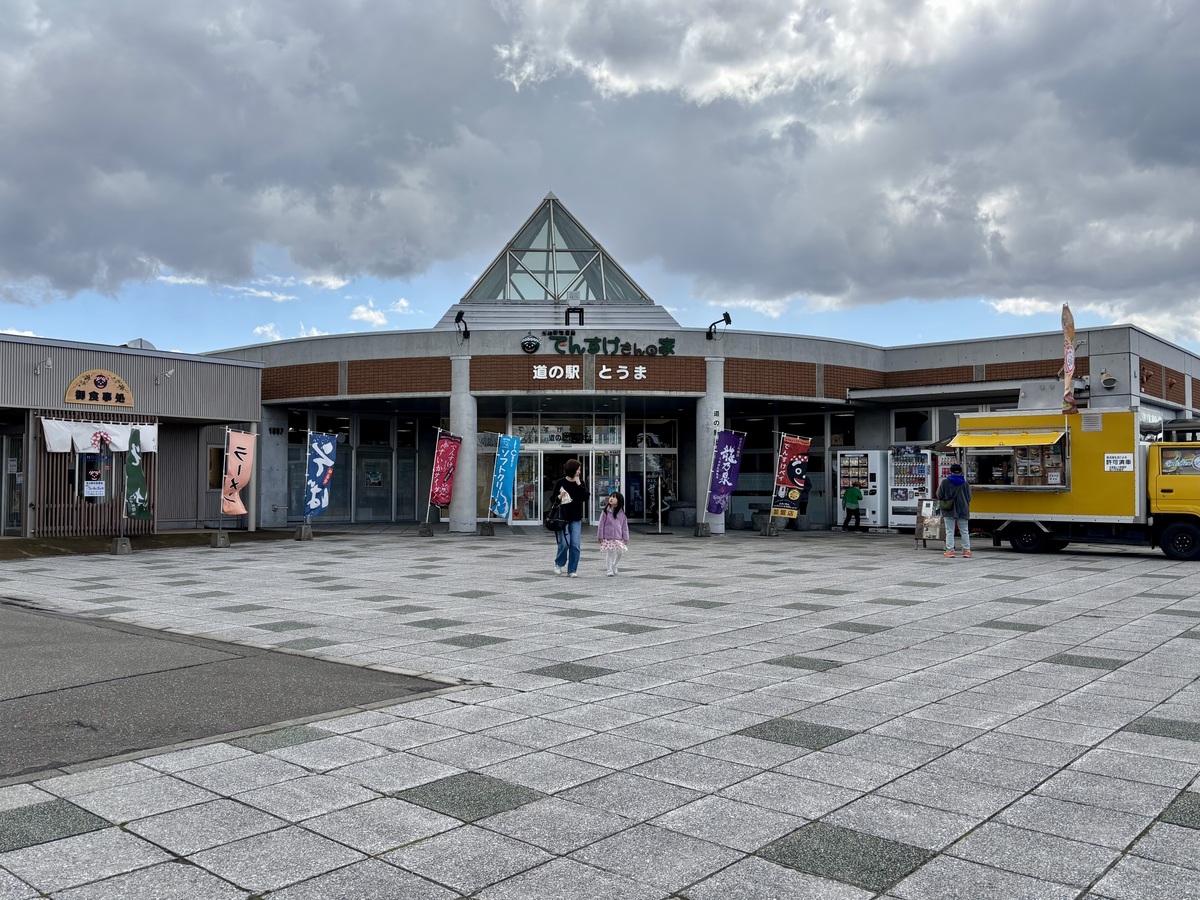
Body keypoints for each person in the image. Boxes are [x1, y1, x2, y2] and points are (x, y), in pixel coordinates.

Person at [552, 459, 587, 577]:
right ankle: (559, 563)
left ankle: (572, 570)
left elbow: (585, 497)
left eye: (580, 469)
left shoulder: (580, 483)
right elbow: (553, 499)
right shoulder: (560, 482)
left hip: (576, 518)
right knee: (564, 543)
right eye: (578, 469)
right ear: (572, 469)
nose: (579, 471)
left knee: (575, 544)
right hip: (563, 518)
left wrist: (579, 484)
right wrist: (559, 497)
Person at [937, 463, 973, 557]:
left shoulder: (945, 482)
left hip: (949, 509)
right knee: (964, 530)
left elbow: (939, 495)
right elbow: (969, 497)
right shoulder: (965, 483)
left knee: (950, 531)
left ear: (951, 471)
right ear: (960, 471)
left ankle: (950, 551)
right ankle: (966, 550)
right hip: (963, 509)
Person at [597, 491, 630, 576]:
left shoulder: (622, 514)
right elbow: (601, 525)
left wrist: (626, 538)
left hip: (619, 538)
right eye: (611, 496)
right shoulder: (605, 512)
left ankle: (615, 565)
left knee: (620, 553)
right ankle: (609, 570)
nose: (611, 498)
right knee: (610, 553)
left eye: (614, 497)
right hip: (608, 537)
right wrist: (600, 536)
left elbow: (624, 527)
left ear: (619, 500)